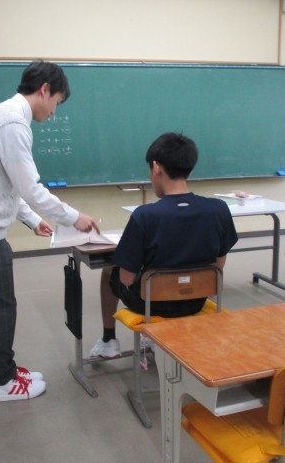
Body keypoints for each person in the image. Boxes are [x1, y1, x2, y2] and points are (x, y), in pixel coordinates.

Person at [0, 60, 100, 402]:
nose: (54, 112)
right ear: (44, 90)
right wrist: (73, 217)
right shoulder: (13, 123)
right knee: (0, 307)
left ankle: (4, 370)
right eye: (56, 102)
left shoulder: (6, 115)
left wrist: (31, 220)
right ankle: (2, 382)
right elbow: (30, 188)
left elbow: (6, 182)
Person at [89, 132, 238, 358]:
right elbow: (218, 265)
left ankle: (109, 340)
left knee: (110, 271)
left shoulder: (145, 216)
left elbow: (127, 279)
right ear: (190, 168)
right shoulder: (218, 209)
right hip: (197, 300)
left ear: (156, 168)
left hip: (152, 304)